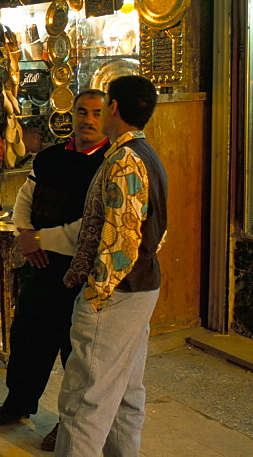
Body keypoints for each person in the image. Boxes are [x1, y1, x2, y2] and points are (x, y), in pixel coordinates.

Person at [0, 90, 109, 453]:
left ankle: (70, 422)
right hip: (39, 266)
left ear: (108, 116)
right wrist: (23, 233)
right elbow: (26, 196)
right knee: (28, 340)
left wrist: (39, 238)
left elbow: (93, 225)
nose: (88, 120)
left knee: (74, 351)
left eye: (97, 113)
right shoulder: (52, 155)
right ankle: (18, 403)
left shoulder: (110, 163)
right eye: (82, 111)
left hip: (76, 272)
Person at [55, 75, 168, 456]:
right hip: (141, 288)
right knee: (125, 394)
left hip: (117, 294)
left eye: (103, 106)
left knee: (84, 401)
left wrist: (96, 294)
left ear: (114, 107)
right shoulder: (146, 155)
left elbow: (122, 240)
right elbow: (154, 230)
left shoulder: (125, 160)